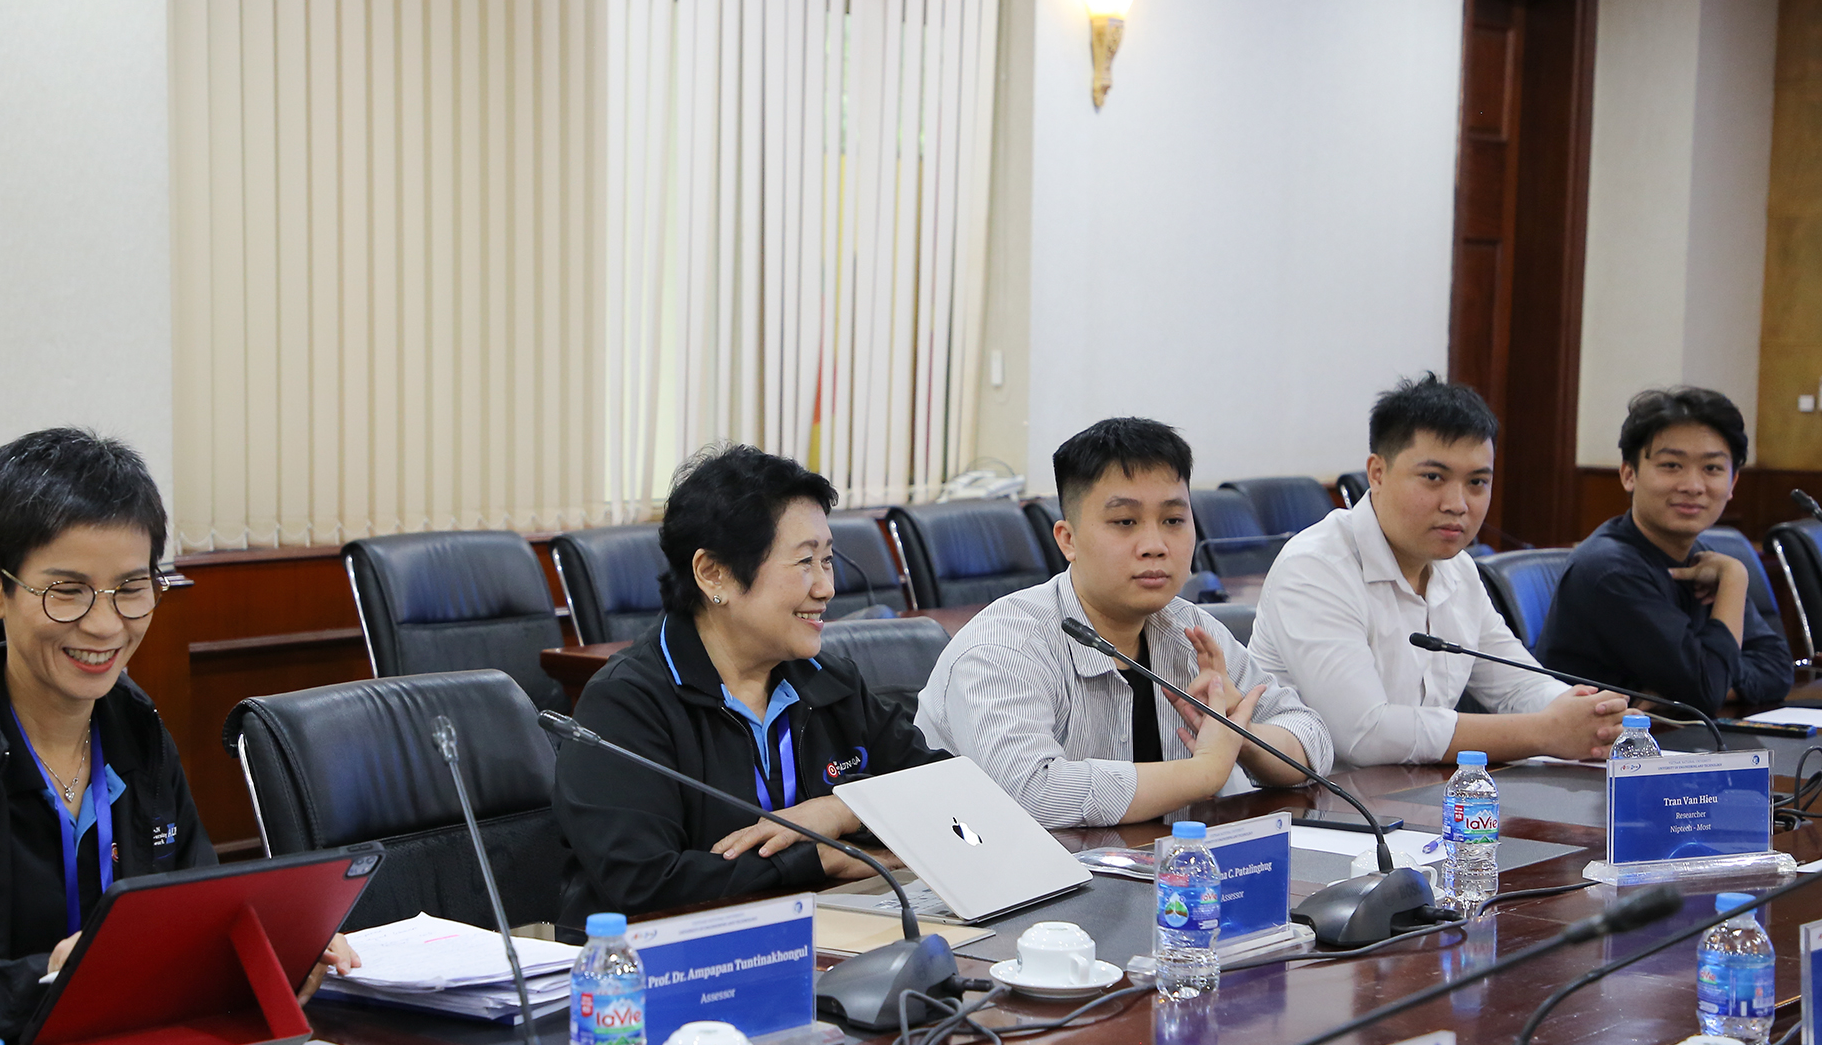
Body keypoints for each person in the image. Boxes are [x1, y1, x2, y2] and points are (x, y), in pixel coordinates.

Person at [0, 428, 357, 1045]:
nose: (105, 625)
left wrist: (268, 957)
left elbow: (195, 921)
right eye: (66, 591)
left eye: (131, 588)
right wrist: (44, 980)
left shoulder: (138, 736)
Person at [553, 445, 951, 930]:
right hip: (677, 958)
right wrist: (819, 860)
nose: (826, 588)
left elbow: (952, 793)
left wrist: (845, 810)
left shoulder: (829, 682)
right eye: (804, 561)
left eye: (827, 560)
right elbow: (644, 883)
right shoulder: (626, 705)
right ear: (713, 573)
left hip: (834, 936)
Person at [915, 418, 1329, 829]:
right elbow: (1030, 793)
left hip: (1160, 867)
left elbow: (1311, 737)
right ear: (1068, 540)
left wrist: (1241, 733)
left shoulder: (1190, 631)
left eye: (1173, 521)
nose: (1155, 546)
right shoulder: (1003, 648)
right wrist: (1203, 772)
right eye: (1125, 522)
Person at [1249, 375, 1626, 767]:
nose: (1457, 504)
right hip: (1315, 798)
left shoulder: (1458, 569)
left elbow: (1519, 685)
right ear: (1377, 473)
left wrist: (1588, 717)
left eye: (1477, 482)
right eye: (1433, 478)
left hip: (1420, 791)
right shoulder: (1315, 568)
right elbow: (1365, 736)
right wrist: (1544, 732)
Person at [1538, 388, 1794, 714]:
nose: (1693, 486)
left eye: (1712, 468)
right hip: (1601, 745)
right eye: (1672, 465)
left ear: (1732, 484)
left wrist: (1678, 692)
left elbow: (1777, 668)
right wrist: (1734, 578)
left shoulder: (1701, 556)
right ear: (1629, 475)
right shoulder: (1610, 568)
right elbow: (1706, 688)